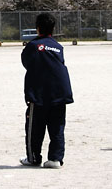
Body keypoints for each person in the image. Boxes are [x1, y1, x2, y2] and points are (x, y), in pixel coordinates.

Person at [19, 12, 74, 168]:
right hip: (60, 91)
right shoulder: (58, 46)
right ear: (53, 29)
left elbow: (26, 62)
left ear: (37, 28)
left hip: (40, 93)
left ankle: (33, 157)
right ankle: (56, 159)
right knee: (57, 126)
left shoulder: (33, 45)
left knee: (34, 127)